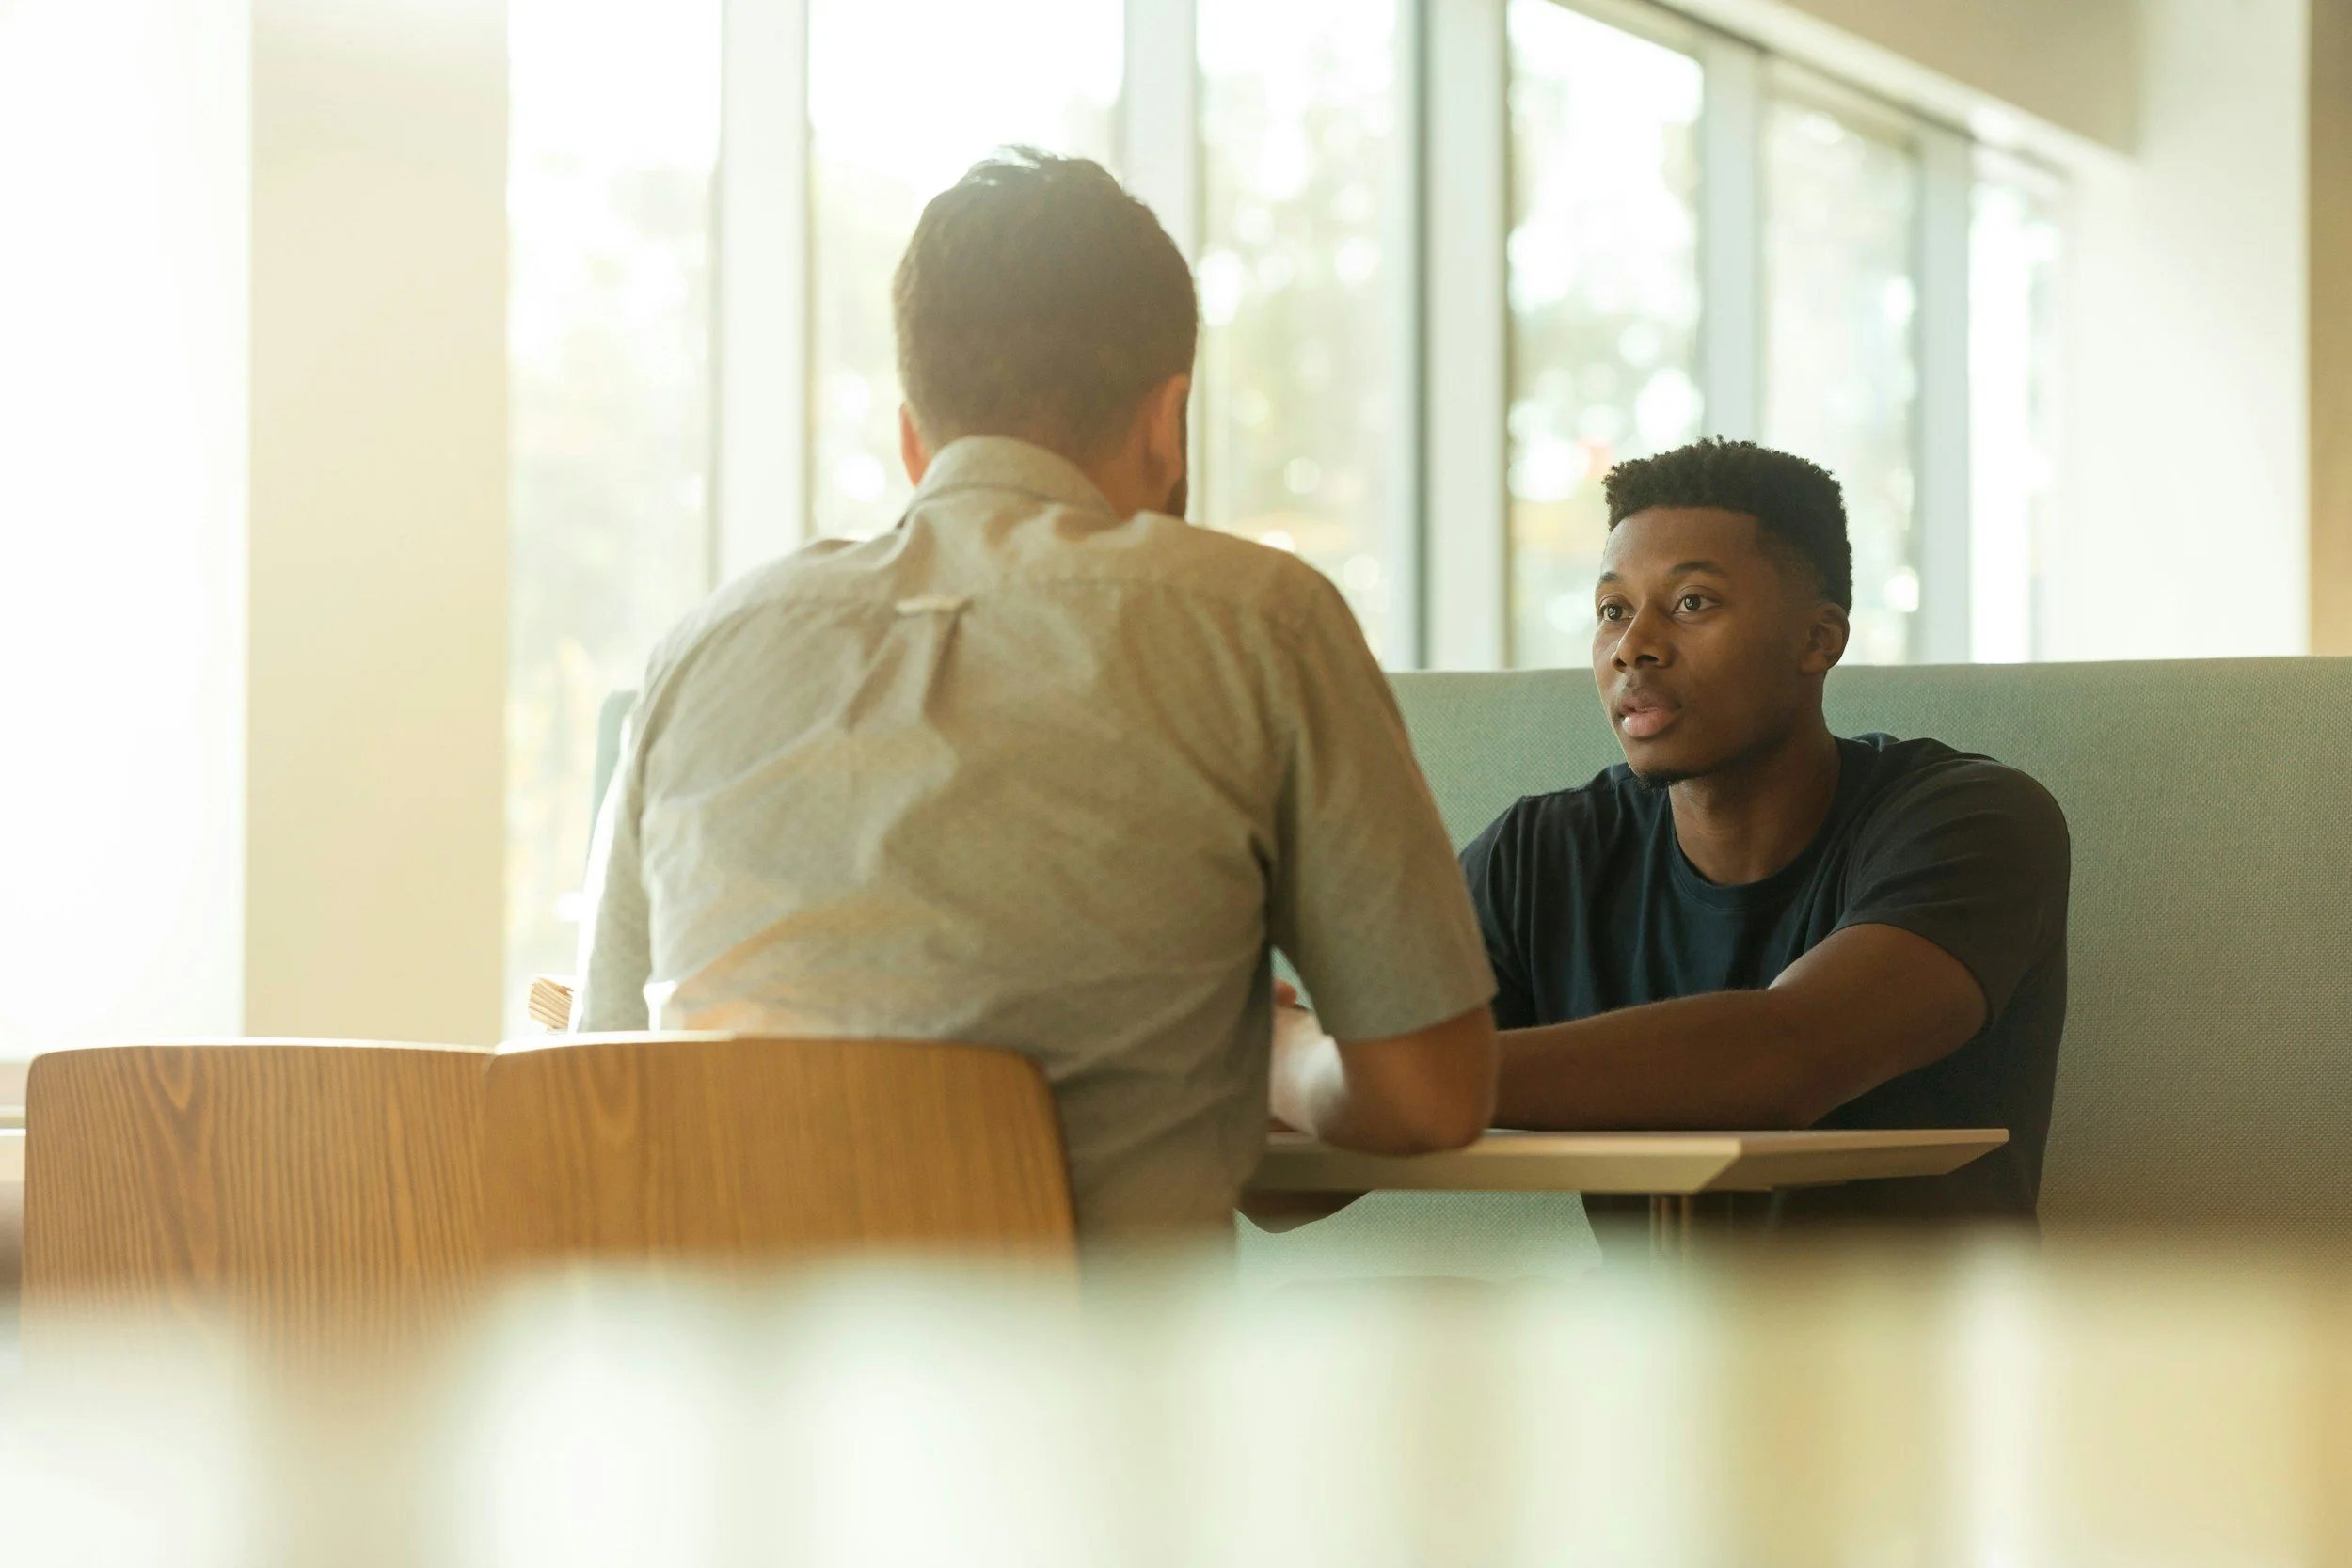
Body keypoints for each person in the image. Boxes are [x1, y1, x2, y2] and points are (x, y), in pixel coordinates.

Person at [572, 150, 1498, 1242]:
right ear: (1168, 421)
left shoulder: (700, 650)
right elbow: (1430, 1096)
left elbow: (598, 1082)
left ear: (914, 437)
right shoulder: (1260, 620)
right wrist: (1281, 1057)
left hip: (722, 1394)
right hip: (1093, 1397)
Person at [1420, 437, 2065, 1238]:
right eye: (1614, 610)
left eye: (1692, 602)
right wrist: (1284, 1064)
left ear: (1818, 639)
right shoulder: (1540, 857)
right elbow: (1287, 1190)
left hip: (1922, 1353)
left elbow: (1784, 1059)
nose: (1634, 646)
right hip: (1649, 1353)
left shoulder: (1975, 822)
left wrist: (1389, 1077)